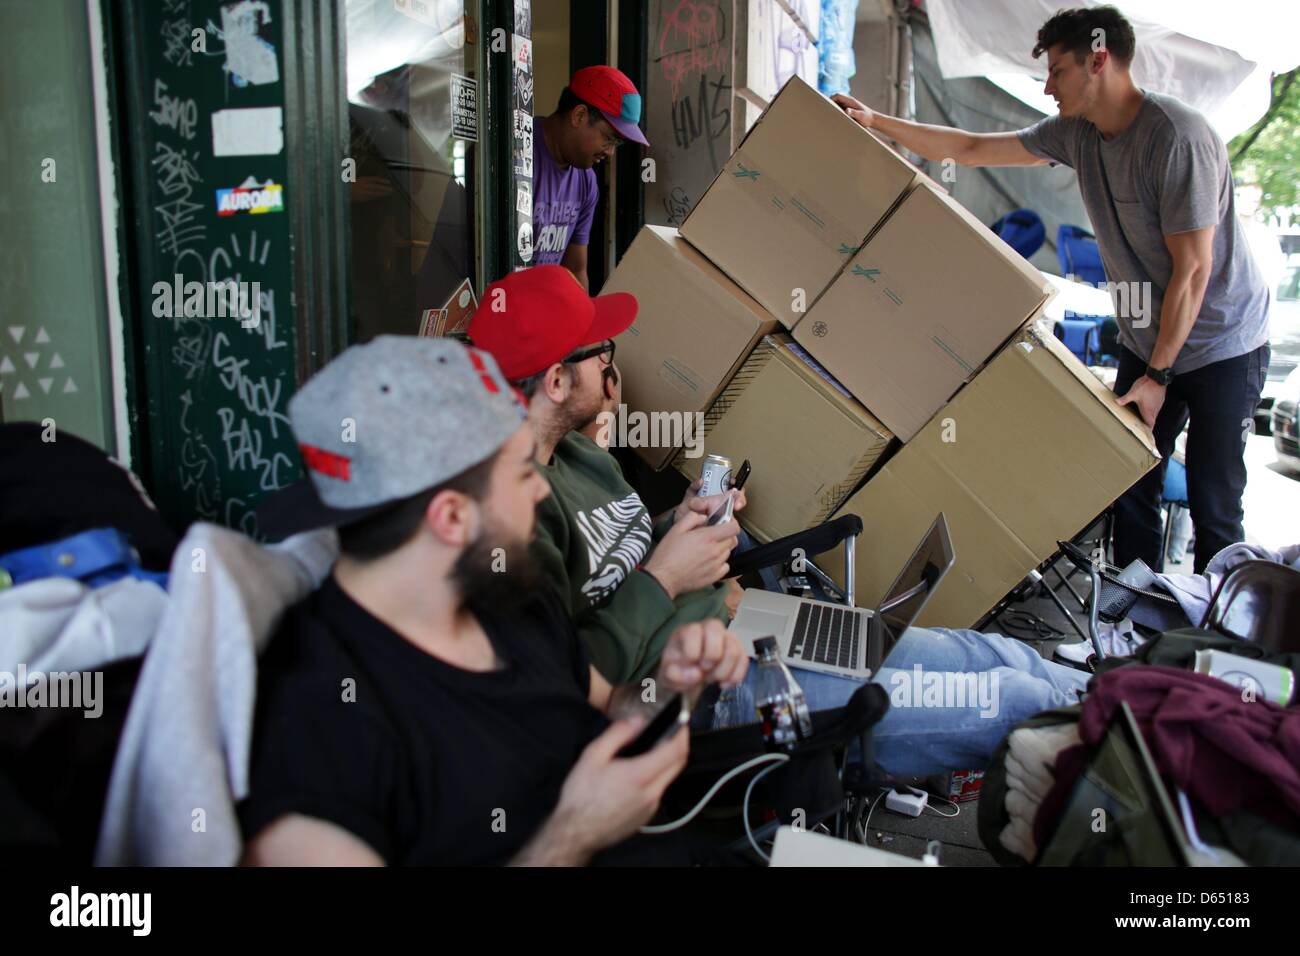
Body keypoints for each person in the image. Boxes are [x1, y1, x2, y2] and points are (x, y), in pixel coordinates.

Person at [238, 336, 749, 866]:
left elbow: (613, 706)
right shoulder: (320, 728)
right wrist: (571, 835)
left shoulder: (507, 595)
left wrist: (670, 683)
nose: (542, 492)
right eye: (524, 473)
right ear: (453, 517)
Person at [832, 5, 1271, 574]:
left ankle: (1214, 648)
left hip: (1221, 343)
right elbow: (969, 149)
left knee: (1215, 502)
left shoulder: (1176, 138)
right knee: (1130, 481)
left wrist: (1157, 376)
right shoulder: (1076, 135)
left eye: (1057, 71)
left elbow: (1193, 271)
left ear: (1099, 60)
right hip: (1149, 337)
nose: (1047, 86)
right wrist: (876, 121)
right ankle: (1129, 623)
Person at [469, 265, 743, 684]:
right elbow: (566, 682)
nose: (609, 366)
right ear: (557, 381)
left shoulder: (574, 449)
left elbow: (611, 544)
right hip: (685, 689)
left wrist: (681, 518)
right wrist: (666, 578)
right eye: (601, 352)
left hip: (725, 625)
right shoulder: (511, 521)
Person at [534, 66, 648, 288]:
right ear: (579, 115)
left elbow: (575, 270)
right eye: (609, 139)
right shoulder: (514, 156)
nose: (610, 152)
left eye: (618, 144)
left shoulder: (586, 182)